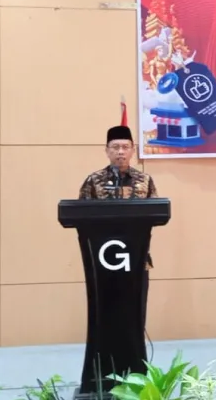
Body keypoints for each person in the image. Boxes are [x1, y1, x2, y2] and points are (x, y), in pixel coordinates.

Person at [78, 125, 157, 326]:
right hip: (103, 257)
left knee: (135, 309)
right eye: (115, 147)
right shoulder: (93, 180)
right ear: (107, 151)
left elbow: (156, 213)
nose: (120, 152)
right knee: (106, 309)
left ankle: (135, 343)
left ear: (132, 150)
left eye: (125, 147)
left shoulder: (145, 180)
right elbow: (81, 215)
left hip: (137, 256)